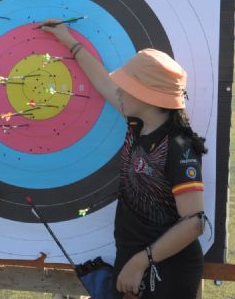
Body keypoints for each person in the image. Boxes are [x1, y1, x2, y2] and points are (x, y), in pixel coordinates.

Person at [42, 20, 207, 299]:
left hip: (164, 269)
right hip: (134, 261)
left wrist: (142, 261)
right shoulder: (137, 125)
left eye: (126, 85)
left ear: (148, 96)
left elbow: (194, 223)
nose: (118, 89)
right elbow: (103, 82)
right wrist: (69, 41)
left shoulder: (179, 147)